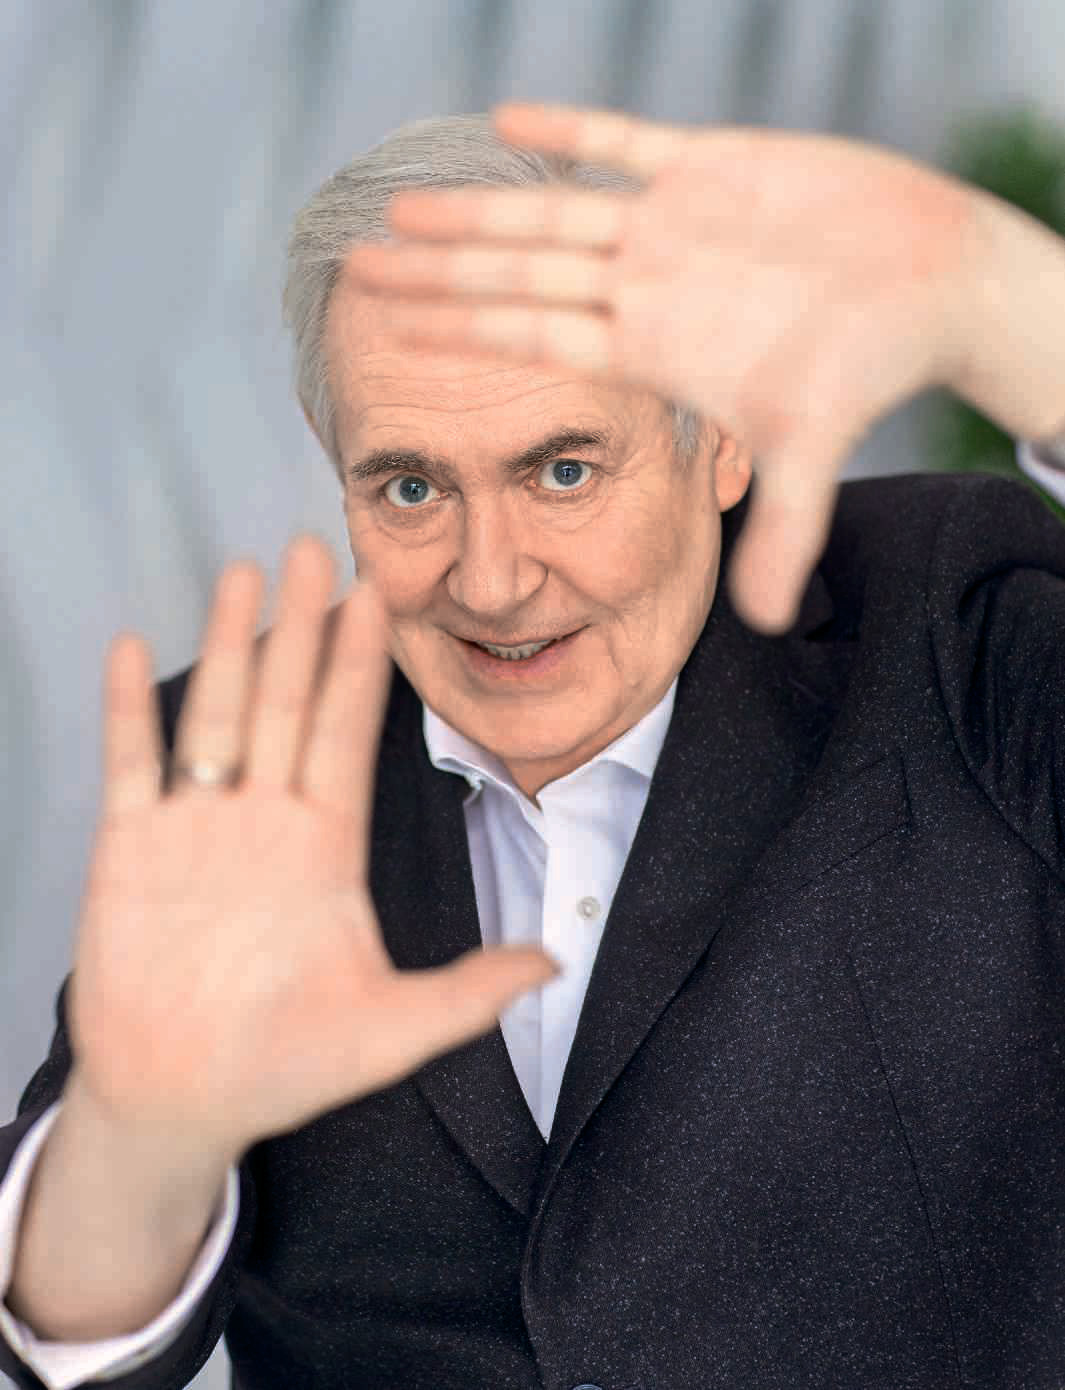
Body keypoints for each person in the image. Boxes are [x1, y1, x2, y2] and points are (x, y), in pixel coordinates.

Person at [1, 102, 1064, 1390]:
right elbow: (78, 1350)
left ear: (722, 434)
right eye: (411, 488)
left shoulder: (948, 613)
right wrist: (141, 1143)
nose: (492, 583)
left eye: (563, 472)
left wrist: (1007, 305)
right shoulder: (242, 758)